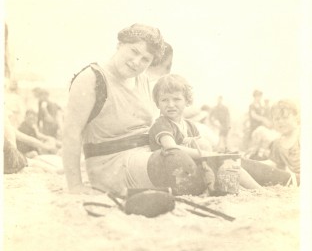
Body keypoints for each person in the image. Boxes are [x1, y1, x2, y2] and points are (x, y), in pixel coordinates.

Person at [62, 23, 206, 196]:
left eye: (146, 59)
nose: (137, 62)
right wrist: (75, 185)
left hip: (147, 154)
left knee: (208, 153)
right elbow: (71, 132)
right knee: (179, 163)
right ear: (120, 44)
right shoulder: (92, 78)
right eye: (134, 51)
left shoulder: (143, 80)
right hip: (112, 164)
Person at [149, 74, 261, 191]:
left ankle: (255, 189)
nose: (171, 104)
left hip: (190, 169)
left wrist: (209, 154)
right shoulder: (161, 124)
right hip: (172, 173)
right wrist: (206, 154)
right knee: (216, 160)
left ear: (187, 101)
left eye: (176, 99)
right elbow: (171, 147)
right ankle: (235, 186)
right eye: (164, 100)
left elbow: (203, 148)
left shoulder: (190, 125)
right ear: (157, 103)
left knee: (224, 161)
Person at [242, 99, 300, 186]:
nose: (280, 121)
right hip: (289, 178)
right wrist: (254, 164)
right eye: (277, 119)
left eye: (285, 117)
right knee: (244, 164)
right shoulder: (277, 143)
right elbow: (275, 163)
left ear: (296, 117)